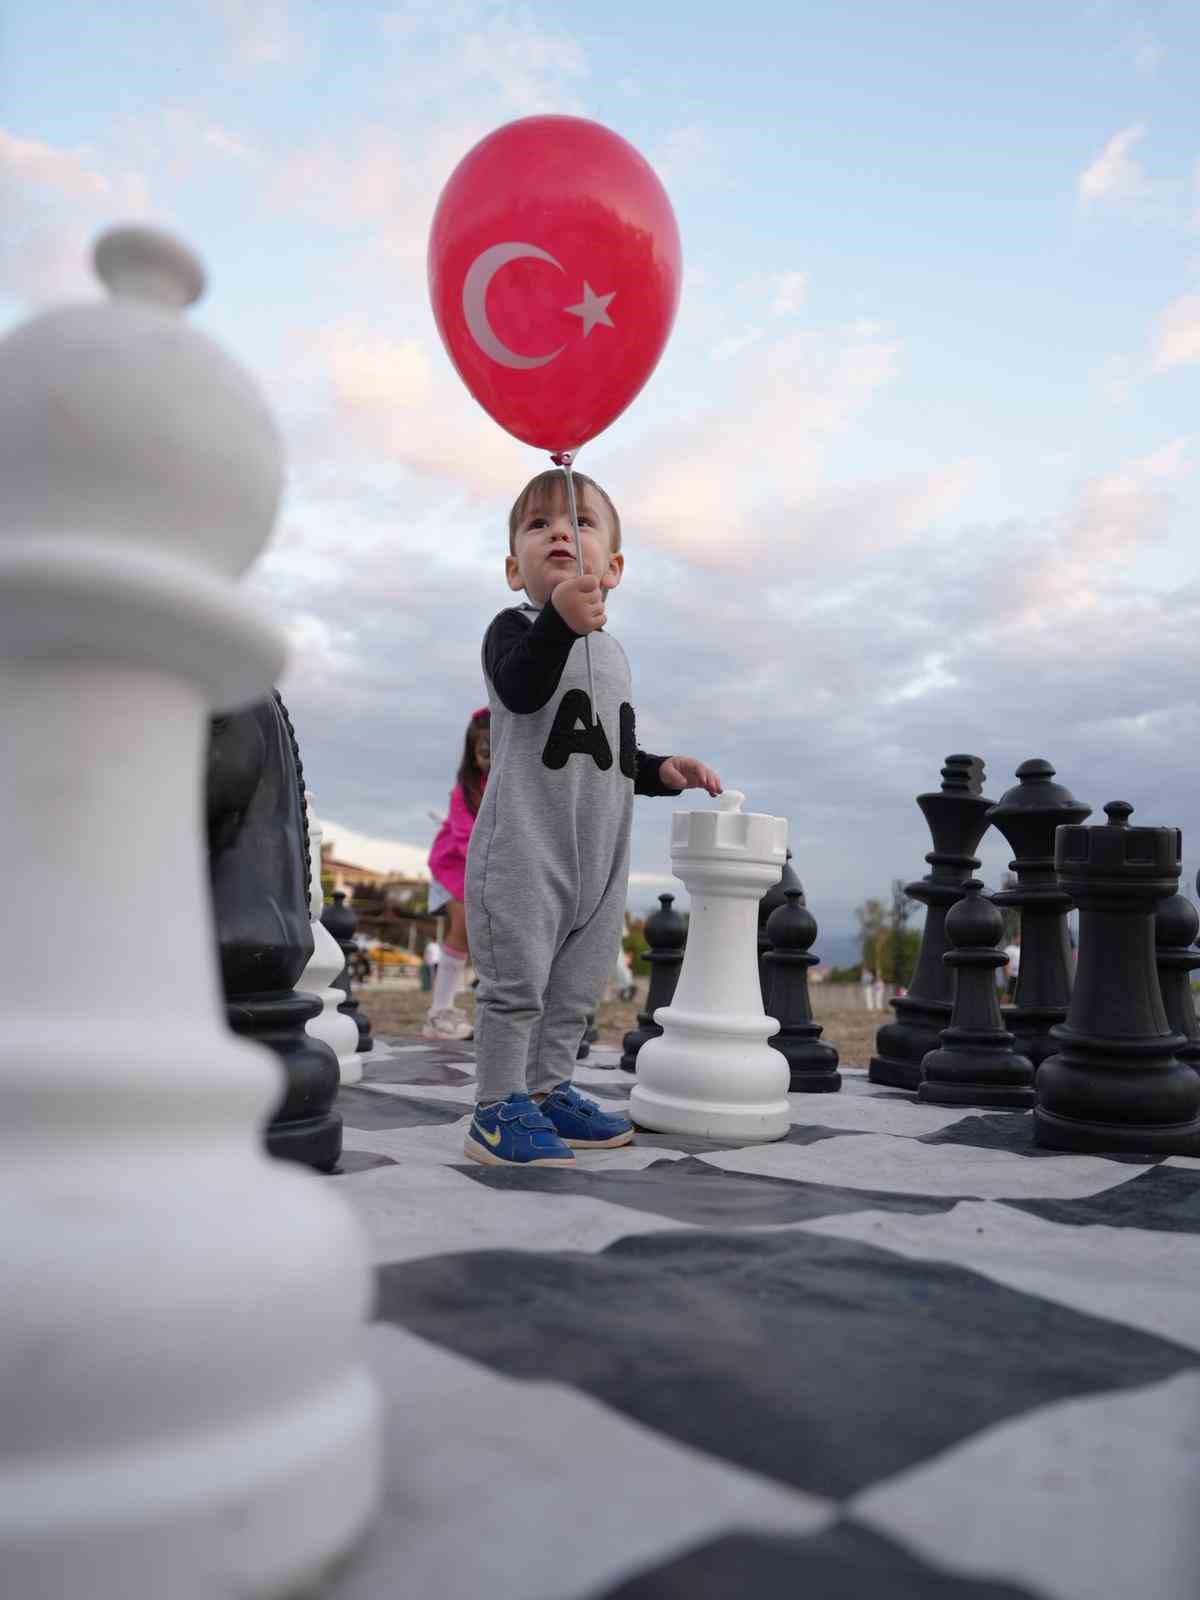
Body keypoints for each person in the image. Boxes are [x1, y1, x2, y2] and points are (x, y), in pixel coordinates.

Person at [464, 469, 721, 1167]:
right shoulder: (514, 631)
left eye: (580, 523)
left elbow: (611, 746)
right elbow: (520, 693)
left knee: (573, 989)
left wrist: (663, 770)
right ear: (515, 567)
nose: (560, 532)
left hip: (600, 856)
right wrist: (557, 621)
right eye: (540, 524)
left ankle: (546, 1092)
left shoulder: (613, 654)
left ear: (613, 568)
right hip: (526, 844)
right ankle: (495, 1106)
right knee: (517, 985)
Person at [421, 709, 490, 1040]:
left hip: (490, 866)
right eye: (483, 752)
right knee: (461, 929)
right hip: (455, 864)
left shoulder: (513, 786)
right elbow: (465, 839)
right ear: (472, 752)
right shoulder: (463, 791)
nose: (489, 759)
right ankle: (439, 1014)